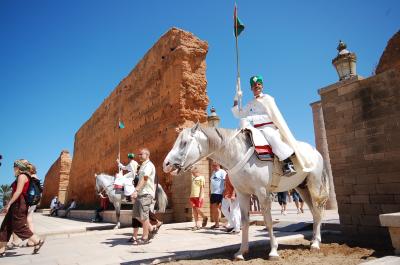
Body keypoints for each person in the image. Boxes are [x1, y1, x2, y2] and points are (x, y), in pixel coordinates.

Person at [232, 75, 313, 176]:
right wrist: (236, 98)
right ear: (251, 88)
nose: (256, 86)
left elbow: (270, 116)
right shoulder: (250, 103)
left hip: (268, 127)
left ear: (262, 86)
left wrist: (252, 118)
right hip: (255, 129)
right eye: (254, 85)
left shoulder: (268, 99)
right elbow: (238, 114)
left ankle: (287, 163)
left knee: (271, 136)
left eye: (258, 84)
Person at [0, 159, 45, 256]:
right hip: (17, 204)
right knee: (5, 227)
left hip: (19, 204)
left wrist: (9, 204)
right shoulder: (21, 176)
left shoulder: (22, 176)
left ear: (18, 167)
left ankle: (37, 240)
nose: (13, 168)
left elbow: (18, 192)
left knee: (19, 227)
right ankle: (1, 250)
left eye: (14, 167)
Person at [131, 148, 156, 244]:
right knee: (136, 215)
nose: (139, 156)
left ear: (147, 155)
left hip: (145, 193)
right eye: (139, 154)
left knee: (144, 216)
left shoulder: (149, 166)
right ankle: (151, 228)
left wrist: (136, 190)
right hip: (140, 194)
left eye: (141, 154)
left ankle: (145, 237)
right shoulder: (142, 166)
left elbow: (145, 178)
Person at [209, 162, 226, 229]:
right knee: (214, 208)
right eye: (212, 166)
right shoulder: (213, 172)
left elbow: (225, 181)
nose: (213, 167)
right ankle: (217, 224)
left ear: (218, 165)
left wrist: (224, 191)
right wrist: (210, 192)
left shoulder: (222, 172)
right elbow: (212, 183)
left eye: (214, 165)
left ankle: (219, 224)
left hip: (219, 193)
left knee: (219, 208)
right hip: (213, 193)